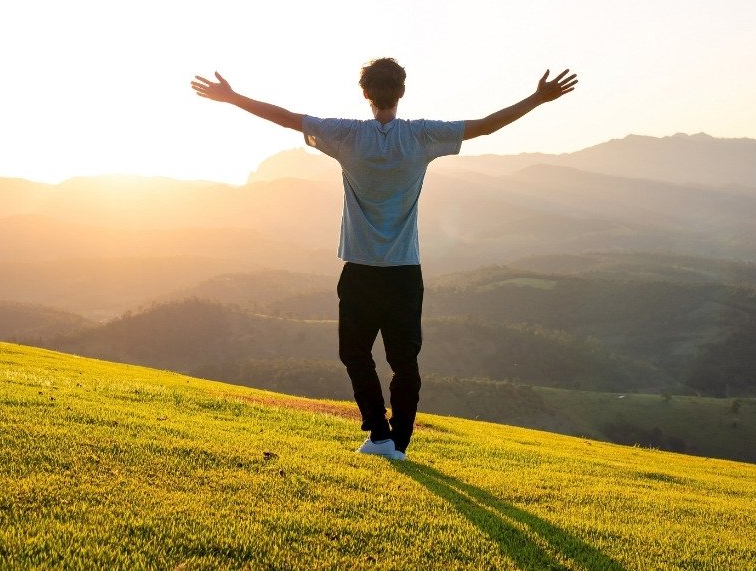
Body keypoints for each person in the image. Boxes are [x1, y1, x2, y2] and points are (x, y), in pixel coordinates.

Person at [191, 59, 577, 460]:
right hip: (405, 273)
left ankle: (379, 434)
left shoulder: (345, 135)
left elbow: (287, 118)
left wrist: (232, 97)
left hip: (360, 271)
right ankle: (399, 443)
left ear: (365, 94)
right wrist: (537, 98)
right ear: (402, 92)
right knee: (404, 362)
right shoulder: (422, 136)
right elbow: (485, 126)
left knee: (355, 354)